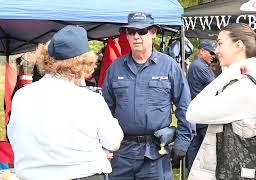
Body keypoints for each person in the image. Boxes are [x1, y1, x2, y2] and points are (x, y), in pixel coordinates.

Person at [7, 25, 123, 180]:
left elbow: (16, 137)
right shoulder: (90, 100)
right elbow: (113, 141)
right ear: (83, 64)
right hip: (82, 174)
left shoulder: (21, 96)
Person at [186, 23, 256, 180]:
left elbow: (192, 112)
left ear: (238, 45)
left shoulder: (244, 88)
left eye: (220, 43)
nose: (216, 50)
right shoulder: (250, 81)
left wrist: (226, 75)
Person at [102, 12, 195, 180]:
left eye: (142, 31)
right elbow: (104, 110)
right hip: (122, 153)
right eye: (131, 32)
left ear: (153, 33)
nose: (136, 36)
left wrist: (182, 142)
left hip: (155, 153)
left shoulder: (169, 66)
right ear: (127, 36)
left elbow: (185, 106)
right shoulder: (116, 68)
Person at [186, 40, 216, 170]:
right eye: (211, 52)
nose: (213, 56)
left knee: (194, 147)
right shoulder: (200, 66)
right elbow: (217, 86)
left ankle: (192, 173)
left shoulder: (196, 65)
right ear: (202, 51)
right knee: (207, 149)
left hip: (196, 113)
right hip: (204, 115)